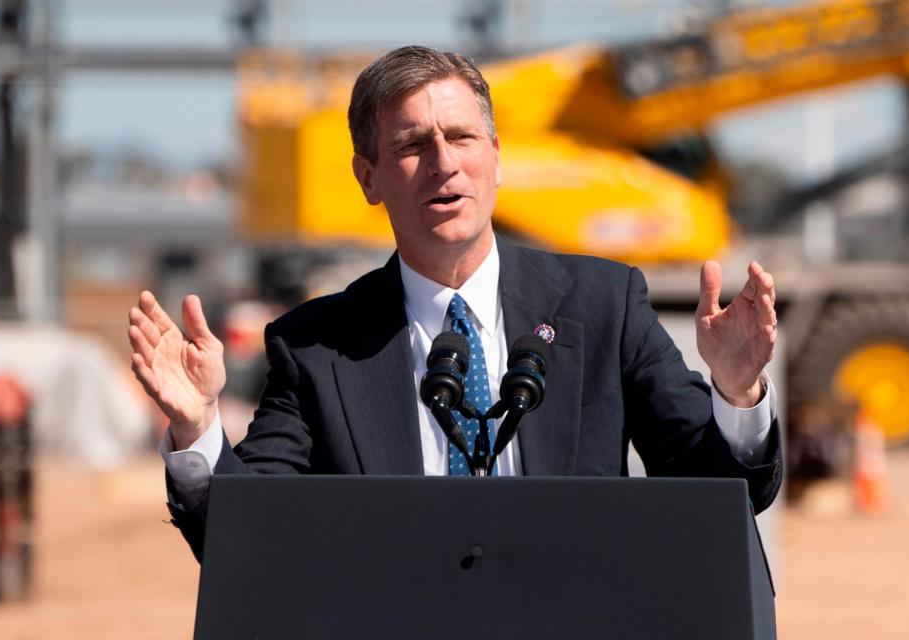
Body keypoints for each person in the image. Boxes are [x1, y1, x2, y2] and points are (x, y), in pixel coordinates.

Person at [128, 46, 781, 561]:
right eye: (413, 145)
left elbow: (723, 491)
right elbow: (248, 542)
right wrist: (196, 429)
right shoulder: (314, 347)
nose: (443, 162)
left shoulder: (603, 304)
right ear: (368, 178)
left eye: (462, 138)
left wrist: (735, 392)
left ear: (496, 159)